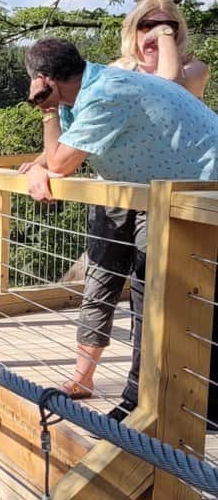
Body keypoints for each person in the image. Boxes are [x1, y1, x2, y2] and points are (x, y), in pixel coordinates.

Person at [23, 37, 218, 420]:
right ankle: (174, 403)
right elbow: (56, 158)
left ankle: (141, 403)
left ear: (44, 78)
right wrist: (43, 160)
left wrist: (45, 113)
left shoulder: (105, 92)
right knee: (172, 294)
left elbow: (60, 165)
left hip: (202, 188)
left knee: (161, 292)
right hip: (170, 190)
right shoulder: (89, 90)